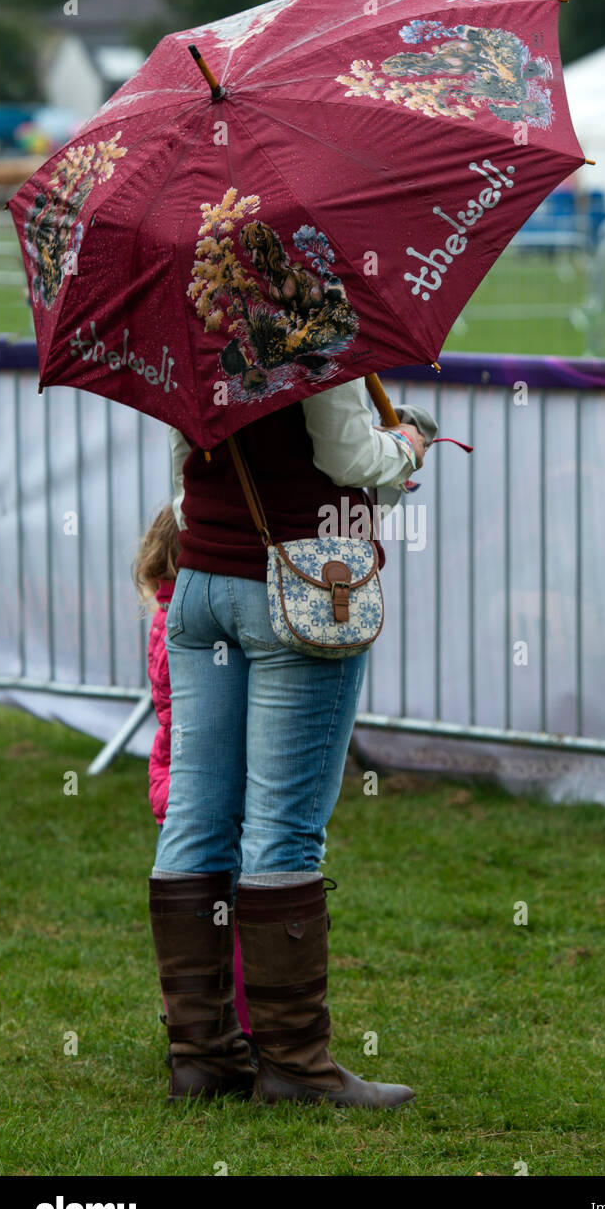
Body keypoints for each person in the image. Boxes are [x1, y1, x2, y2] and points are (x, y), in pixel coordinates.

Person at [149, 376, 433, 1107]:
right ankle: (297, 1068)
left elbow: (184, 458)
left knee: (196, 816)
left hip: (201, 583)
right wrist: (405, 443)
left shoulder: (192, 314)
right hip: (301, 587)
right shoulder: (308, 317)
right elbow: (346, 457)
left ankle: (202, 1056)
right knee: (284, 827)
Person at [132, 505, 251, 1039]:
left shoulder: (165, 618)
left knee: (200, 913)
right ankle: (239, 1028)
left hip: (171, 779)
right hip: (192, 781)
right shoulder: (190, 628)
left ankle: (193, 1023)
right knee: (227, 913)